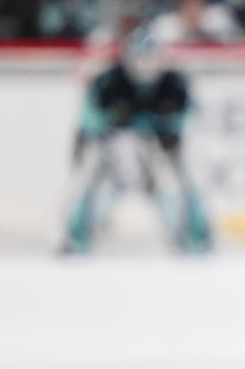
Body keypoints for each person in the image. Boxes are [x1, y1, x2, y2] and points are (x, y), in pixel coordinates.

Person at [61, 28, 212, 254]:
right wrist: (106, 123)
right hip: (114, 147)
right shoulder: (109, 81)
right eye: (141, 58)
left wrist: (171, 124)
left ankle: (194, 236)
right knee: (90, 182)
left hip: (159, 146)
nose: (145, 65)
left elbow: (191, 114)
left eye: (151, 59)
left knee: (180, 181)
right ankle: (78, 235)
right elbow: (89, 115)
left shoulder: (173, 83)